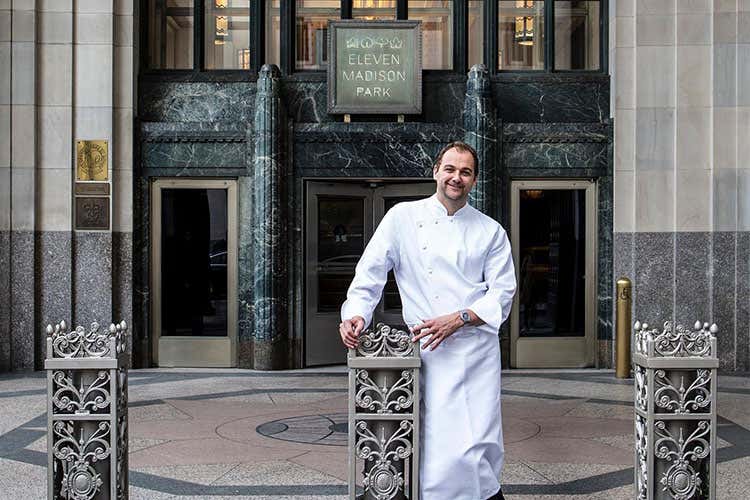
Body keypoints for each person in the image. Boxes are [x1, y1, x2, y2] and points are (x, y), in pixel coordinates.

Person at [339, 141, 517, 500]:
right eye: (450, 169)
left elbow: (502, 292)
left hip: (475, 350)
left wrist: (460, 318)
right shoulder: (402, 218)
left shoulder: (490, 231)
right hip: (426, 350)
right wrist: (355, 314)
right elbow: (370, 272)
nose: (456, 178)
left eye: (465, 172)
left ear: (474, 180)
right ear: (436, 171)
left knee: (476, 441)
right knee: (433, 442)